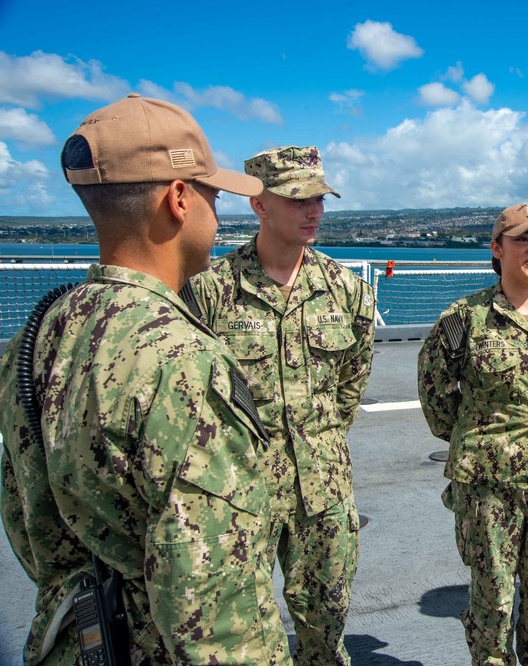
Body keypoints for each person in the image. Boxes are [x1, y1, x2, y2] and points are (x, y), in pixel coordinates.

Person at [0, 94, 292, 665]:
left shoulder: (40, 334)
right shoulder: (182, 358)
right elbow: (213, 612)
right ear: (179, 199)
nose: (218, 212)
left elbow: (25, 517)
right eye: (212, 194)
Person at [186, 146, 375, 665]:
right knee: (237, 628)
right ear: (259, 205)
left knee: (327, 623)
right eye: (297, 199)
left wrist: (322, 440)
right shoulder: (211, 291)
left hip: (325, 488)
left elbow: (351, 382)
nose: (313, 211)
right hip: (241, 489)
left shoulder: (346, 290)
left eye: (319, 198)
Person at [417, 203, 528, 665]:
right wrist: (476, 441)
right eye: (522, 240)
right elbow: (437, 397)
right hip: (488, 488)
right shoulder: (465, 319)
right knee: (492, 603)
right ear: (497, 249)